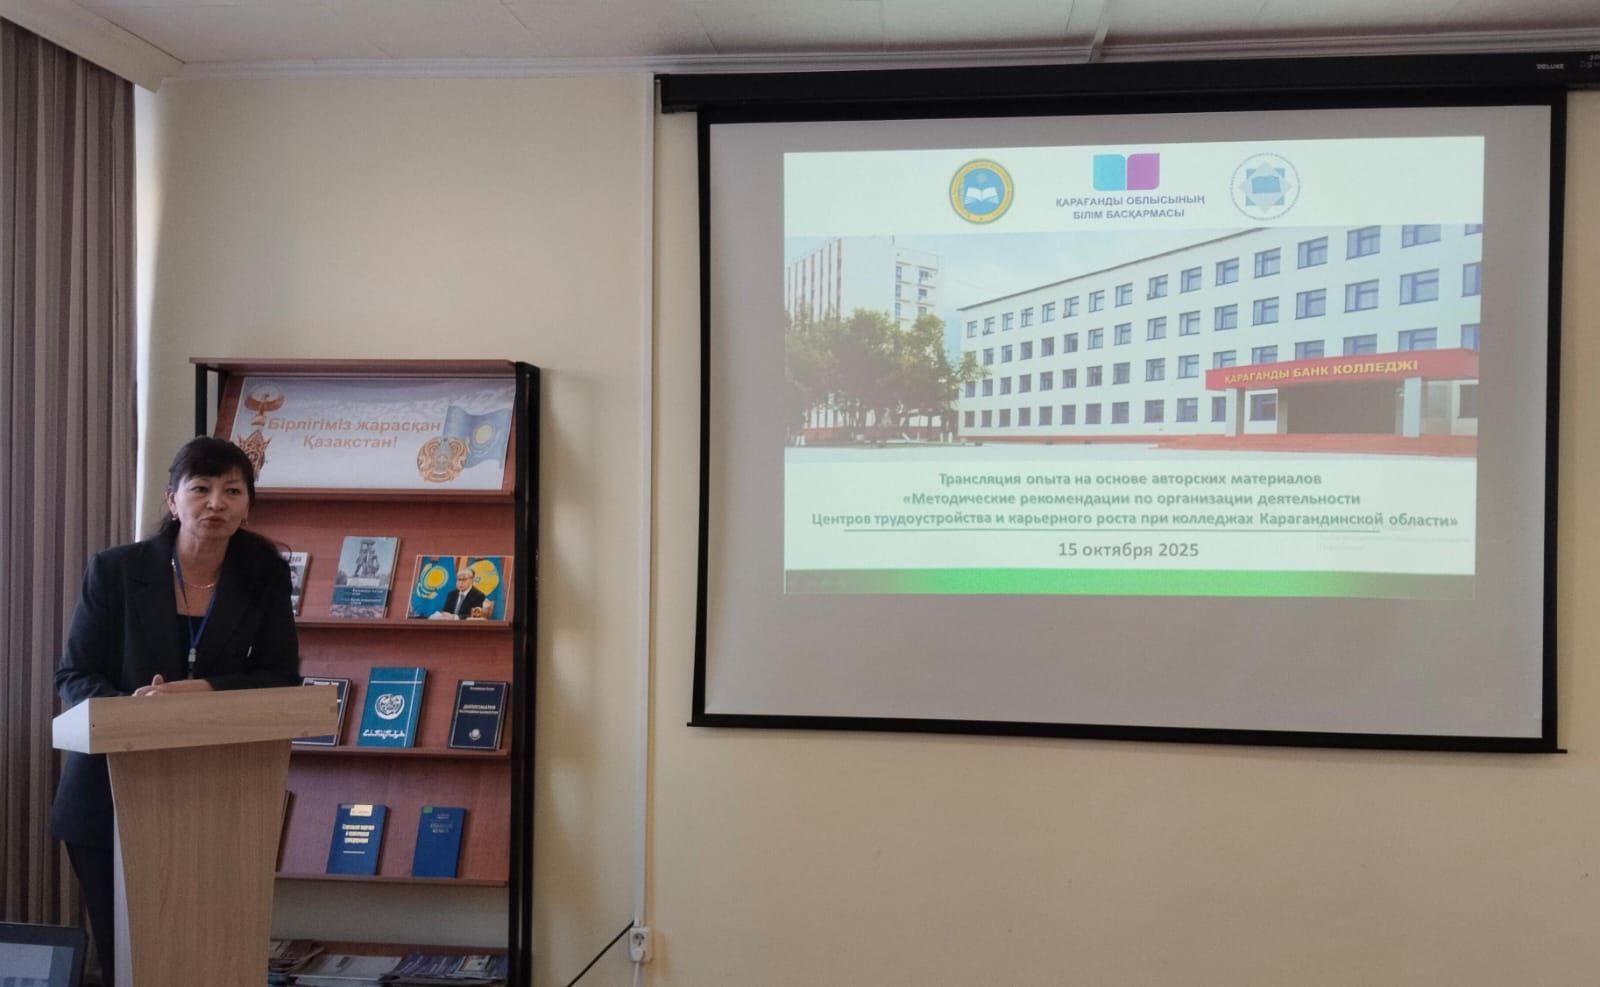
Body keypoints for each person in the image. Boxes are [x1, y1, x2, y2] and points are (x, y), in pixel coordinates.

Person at [50, 437, 301, 985]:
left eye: (232, 491)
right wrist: (137, 712)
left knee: (210, 955)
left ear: (248, 504)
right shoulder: (116, 571)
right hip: (109, 794)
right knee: (128, 957)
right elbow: (72, 676)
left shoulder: (264, 574)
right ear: (172, 500)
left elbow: (282, 678)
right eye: (201, 489)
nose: (216, 503)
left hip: (217, 798)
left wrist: (203, 690)